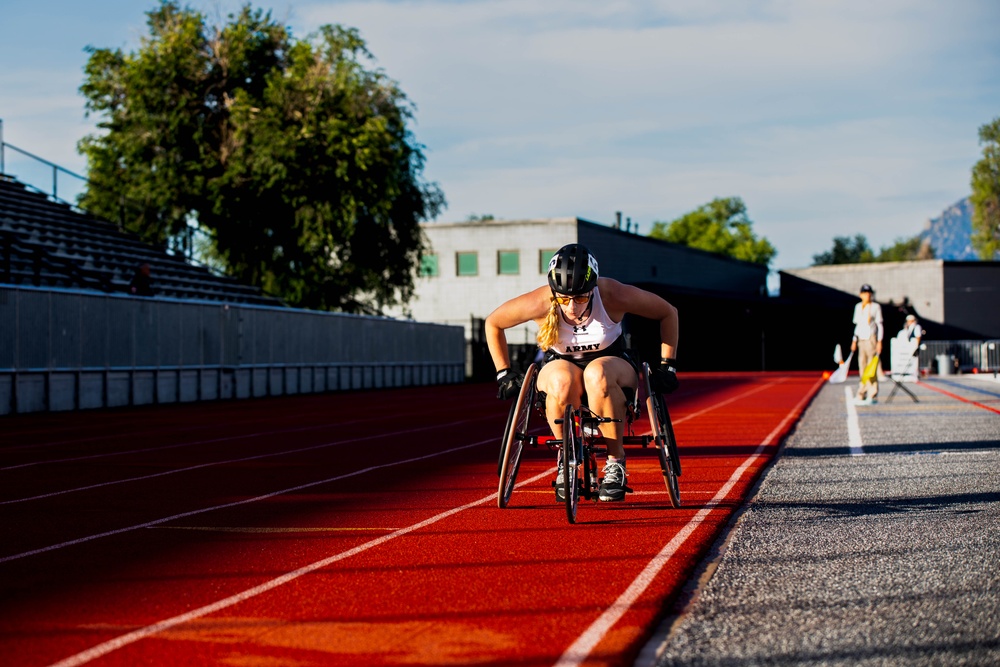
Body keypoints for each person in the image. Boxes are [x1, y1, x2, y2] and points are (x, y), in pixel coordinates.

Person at [485, 243, 679, 502]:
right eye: (564, 299)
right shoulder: (541, 301)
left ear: (593, 289)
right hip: (561, 362)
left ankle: (615, 463)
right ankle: (567, 460)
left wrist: (668, 365)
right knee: (560, 379)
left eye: (580, 298)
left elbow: (668, 312)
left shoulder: (612, 294)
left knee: (596, 373)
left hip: (612, 362)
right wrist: (503, 372)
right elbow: (494, 323)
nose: (572, 307)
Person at [850, 283, 883, 405]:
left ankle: (872, 394)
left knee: (872, 368)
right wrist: (854, 340)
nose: (867, 295)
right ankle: (861, 393)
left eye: (869, 293)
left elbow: (880, 324)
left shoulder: (875, 307)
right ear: (860, 295)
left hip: (871, 339)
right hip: (861, 339)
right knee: (862, 367)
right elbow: (857, 325)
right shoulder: (858, 307)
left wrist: (879, 341)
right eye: (864, 293)